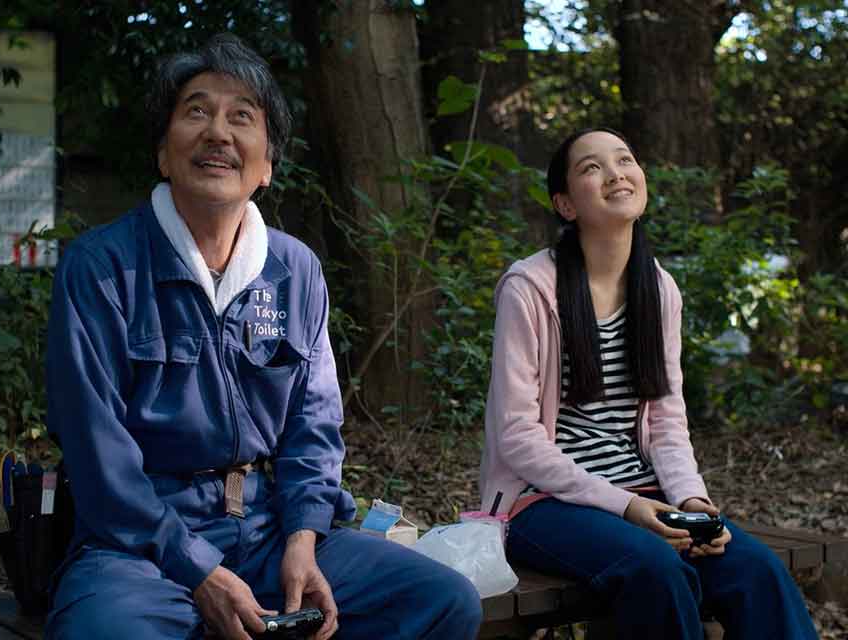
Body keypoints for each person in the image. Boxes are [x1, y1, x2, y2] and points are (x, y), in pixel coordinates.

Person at [44, 33, 482, 640]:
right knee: (103, 630)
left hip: (268, 530)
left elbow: (314, 425)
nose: (218, 133)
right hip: (139, 547)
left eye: (242, 117)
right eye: (197, 111)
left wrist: (303, 538)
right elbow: (97, 455)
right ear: (163, 154)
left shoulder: (294, 270)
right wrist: (198, 570)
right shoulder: (102, 267)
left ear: (268, 164)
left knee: (442, 601)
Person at [479, 127, 818, 639]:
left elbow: (666, 423)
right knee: (655, 570)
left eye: (625, 160)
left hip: (644, 494)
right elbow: (517, 436)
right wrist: (627, 507)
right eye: (592, 167)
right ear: (565, 204)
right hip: (540, 503)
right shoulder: (529, 288)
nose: (615, 173)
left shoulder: (658, 289)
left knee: (756, 571)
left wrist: (693, 502)